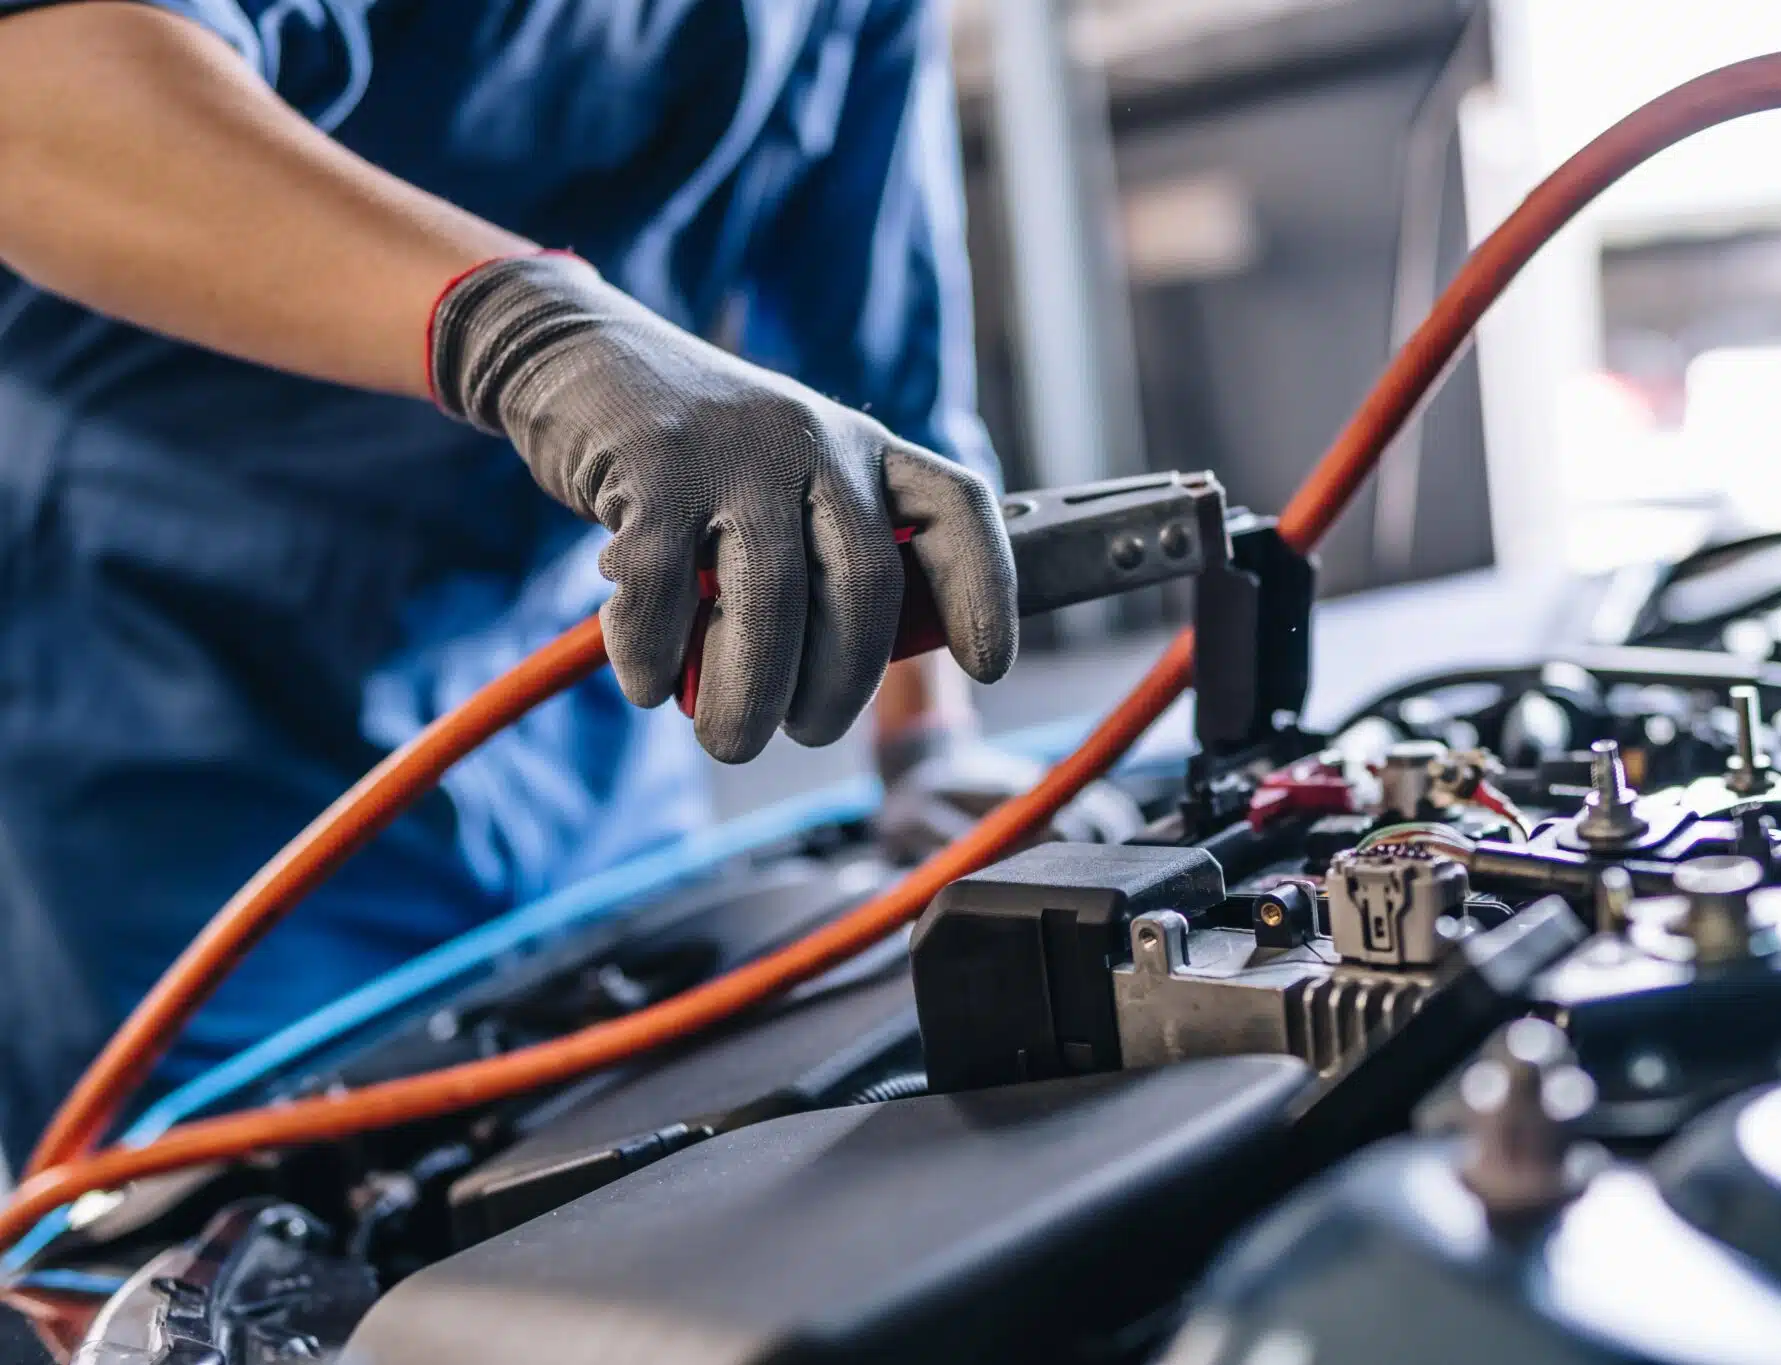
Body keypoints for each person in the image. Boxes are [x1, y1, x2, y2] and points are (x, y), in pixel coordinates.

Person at [0, 0, 1133, 1164]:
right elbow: (36, 103)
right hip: (158, 725)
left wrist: (926, 747)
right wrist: (518, 327)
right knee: (242, 1255)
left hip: (577, 725)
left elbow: (876, 365)